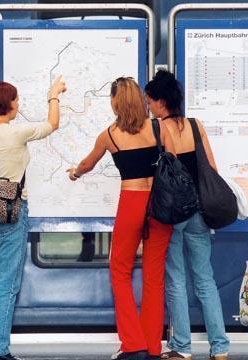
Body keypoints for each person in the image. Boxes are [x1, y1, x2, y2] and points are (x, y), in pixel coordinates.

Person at [67, 77, 174, 360]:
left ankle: (132, 344)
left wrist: (75, 172)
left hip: (132, 203)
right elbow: (174, 160)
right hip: (160, 204)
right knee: (154, 275)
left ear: (115, 102)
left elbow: (88, 164)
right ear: (139, 99)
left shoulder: (109, 135)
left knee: (120, 271)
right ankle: (153, 346)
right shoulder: (158, 127)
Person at [0, 76, 66, 360]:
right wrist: (54, 95)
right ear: (8, 104)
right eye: (16, 99)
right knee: (6, 284)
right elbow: (52, 125)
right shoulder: (17, 132)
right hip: (12, 212)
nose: (18, 103)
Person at [144, 70, 230, 360]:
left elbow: (163, 175)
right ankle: (220, 348)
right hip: (200, 213)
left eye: (151, 101)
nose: (149, 106)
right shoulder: (196, 125)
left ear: (160, 102)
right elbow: (212, 169)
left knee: (176, 280)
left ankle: (181, 347)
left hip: (173, 213)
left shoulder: (159, 129)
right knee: (205, 280)